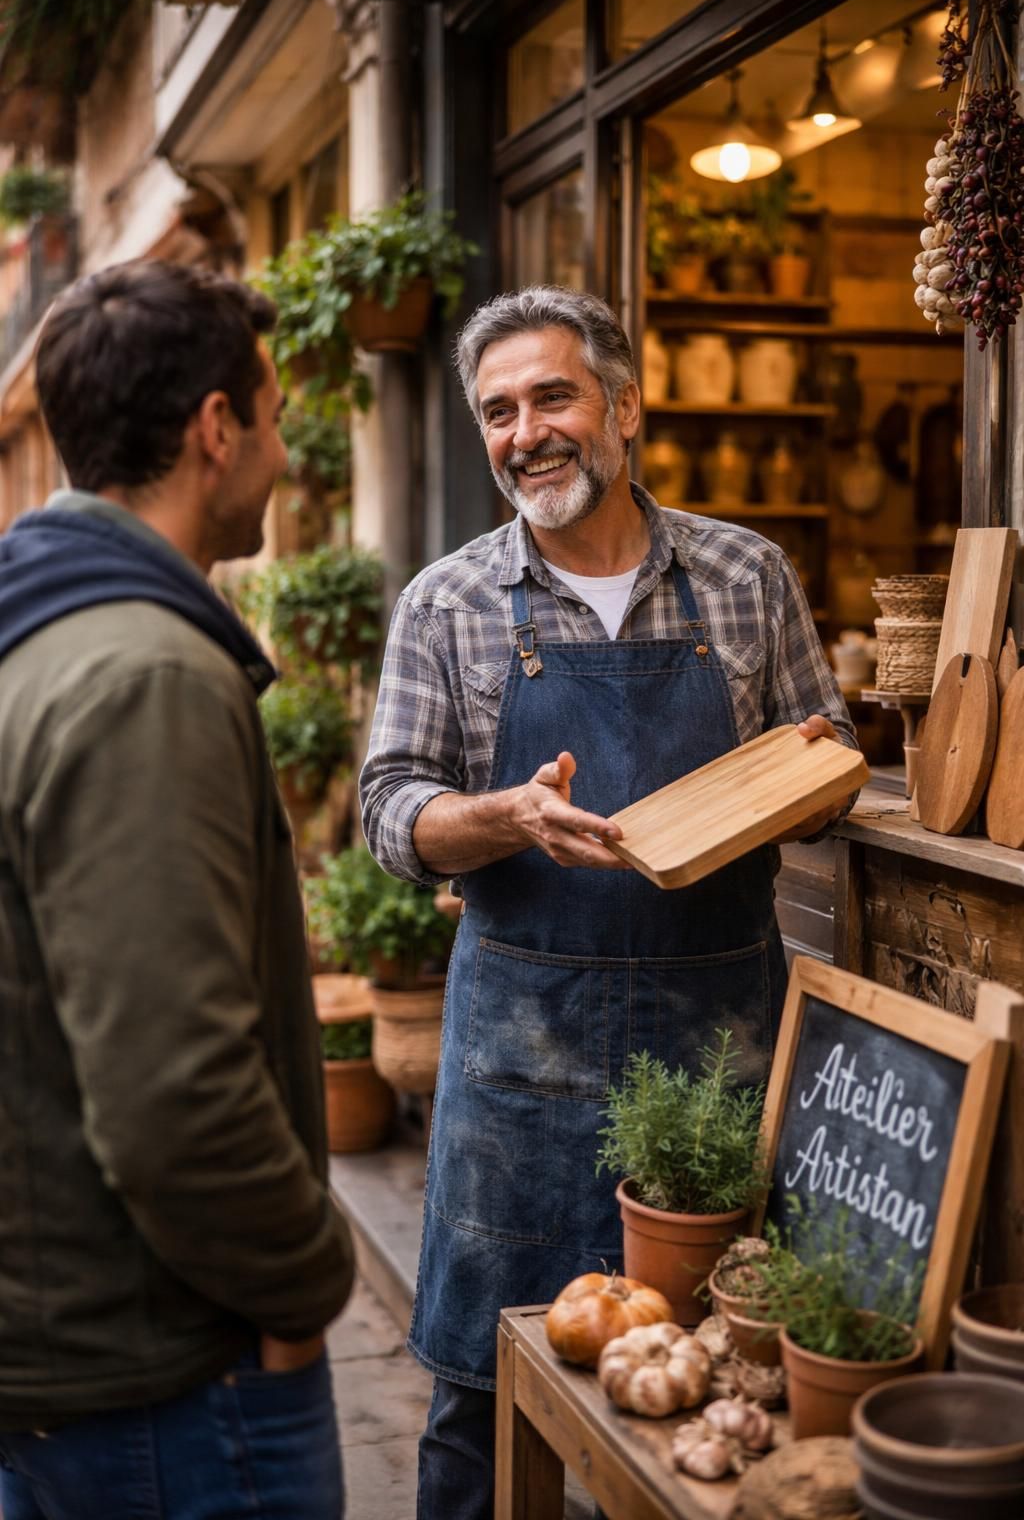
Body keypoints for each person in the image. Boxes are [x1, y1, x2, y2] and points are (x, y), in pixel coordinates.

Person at [360, 285, 857, 1519]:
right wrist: (504, 817)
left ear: (624, 408)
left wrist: (795, 777)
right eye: (497, 411)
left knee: (714, 1376)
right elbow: (388, 811)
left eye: (551, 397)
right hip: (519, 1052)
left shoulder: (747, 575)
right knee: (481, 1396)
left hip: (720, 1045)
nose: (523, 431)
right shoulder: (447, 599)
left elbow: (830, 757)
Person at [0, 261, 354, 1520]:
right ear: (217, 430)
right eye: (271, 410)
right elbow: (172, 1094)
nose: (283, 445)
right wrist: (312, 1282)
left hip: (91, 1361)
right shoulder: (142, 674)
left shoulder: (47, 631)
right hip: (165, 1382)